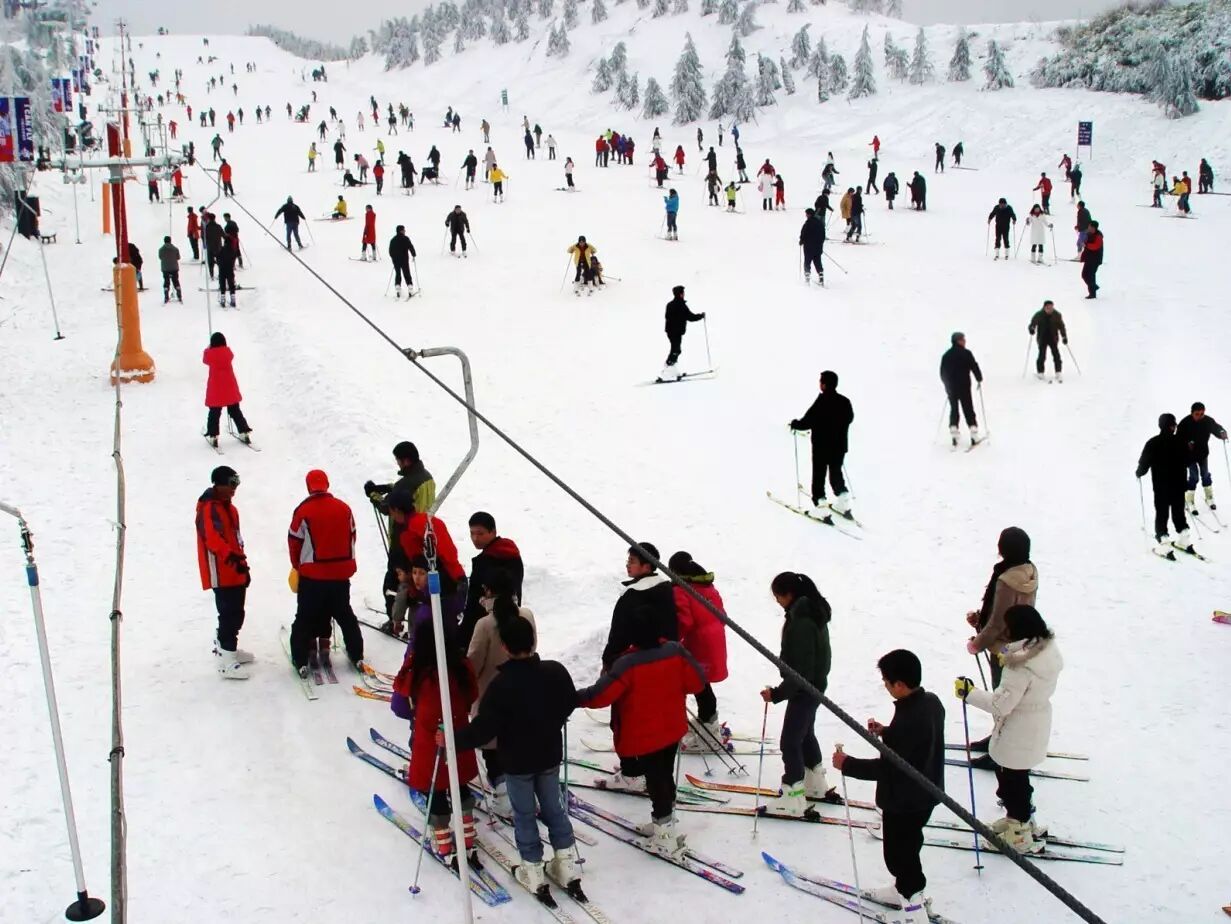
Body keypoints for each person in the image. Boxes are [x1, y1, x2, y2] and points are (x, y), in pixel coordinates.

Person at [444, 614, 581, 898]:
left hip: (518, 763)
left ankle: (533, 868)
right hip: (548, 755)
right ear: (532, 641)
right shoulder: (554, 671)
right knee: (553, 807)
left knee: (525, 814)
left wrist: (453, 739)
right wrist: (552, 720)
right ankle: (566, 862)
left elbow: (484, 729)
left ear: (504, 647)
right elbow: (569, 701)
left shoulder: (501, 686)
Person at [577, 607, 706, 856]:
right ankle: (664, 823)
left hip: (646, 735)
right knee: (664, 775)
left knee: (657, 781)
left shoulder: (628, 664)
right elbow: (697, 681)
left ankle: (664, 836)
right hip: (672, 727)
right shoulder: (675, 651)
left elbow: (601, 695)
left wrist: (574, 697)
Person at [833, 650, 944, 923]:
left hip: (905, 800)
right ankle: (903, 891)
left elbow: (890, 768)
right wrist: (887, 732)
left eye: (886, 681)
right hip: (925, 794)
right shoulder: (930, 702)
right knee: (909, 847)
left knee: (898, 856)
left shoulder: (909, 719)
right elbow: (915, 744)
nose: (885, 685)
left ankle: (913, 908)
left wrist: (848, 764)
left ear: (900, 685)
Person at [956, 604, 1063, 855]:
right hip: (1036, 721)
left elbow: (1001, 704)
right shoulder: (1045, 649)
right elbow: (1011, 652)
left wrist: (969, 693)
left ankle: (1019, 832)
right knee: (1018, 776)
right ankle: (1021, 821)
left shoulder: (1019, 667)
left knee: (1010, 781)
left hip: (1016, 729)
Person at [393, 619, 480, 862]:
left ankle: (443, 843)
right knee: (458, 783)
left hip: (429, 740)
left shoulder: (419, 672)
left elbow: (399, 686)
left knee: (436, 788)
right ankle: (467, 836)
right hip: (458, 734)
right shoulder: (460, 666)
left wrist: (411, 659)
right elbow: (472, 693)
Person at [761, 572, 838, 815]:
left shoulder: (802, 621)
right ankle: (814, 781)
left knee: (790, 740)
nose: (777, 601)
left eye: (778, 596)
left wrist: (777, 694)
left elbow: (801, 671)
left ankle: (793, 795)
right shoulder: (811, 611)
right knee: (804, 734)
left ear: (789, 594)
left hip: (805, 688)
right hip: (814, 685)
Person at [464, 567, 538, 812]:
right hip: (524, 688)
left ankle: (505, 796)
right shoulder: (526, 614)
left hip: (490, 693)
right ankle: (526, 789)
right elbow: (532, 646)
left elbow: (473, 662)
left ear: (488, 591)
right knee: (518, 741)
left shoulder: (485, 624)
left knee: (493, 748)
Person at [288, 469, 366, 675]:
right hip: (340, 574)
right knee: (345, 614)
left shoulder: (303, 511)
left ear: (308, 487)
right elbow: (352, 536)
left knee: (304, 617)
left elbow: (294, 541)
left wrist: (297, 566)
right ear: (327, 484)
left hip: (313, 575)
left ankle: (300, 658)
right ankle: (357, 653)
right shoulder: (344, 508)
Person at [364, 441, 437, 618]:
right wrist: (387, 487)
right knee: (416, 581)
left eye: (398, 460)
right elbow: (401, 487)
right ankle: (417, 615)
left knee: (393, 583)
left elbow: (386, 506)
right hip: (423, 536)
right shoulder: (427, 477)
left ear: (405, 461)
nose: (397, 463)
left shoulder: (405, 485)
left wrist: (372, 494)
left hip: (402, 539)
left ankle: (394, 619)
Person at [963, 526, 1038, 693]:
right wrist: (981, 618)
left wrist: (976, 645)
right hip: (1024, 646)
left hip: (1003, 651)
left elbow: (998, 623)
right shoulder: (1030, 572)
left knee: (1001, 700)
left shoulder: (1006, 581)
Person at [196, 464, 253, 679]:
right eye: (231, 483)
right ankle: (226, 661)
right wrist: (231, 558)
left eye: (236, 483)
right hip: (221, 571)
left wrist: (242, 565)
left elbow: (236, 539)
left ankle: (228, 649)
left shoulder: (230, 508)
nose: (234, 488)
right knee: (229, 613)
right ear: (218, 484)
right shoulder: (209, 508)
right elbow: (212, 539)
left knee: (237, 612)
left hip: (234, 570)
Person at [668, 551, 728, 751]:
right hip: (715, 641)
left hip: (698, 645)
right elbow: (722, 615)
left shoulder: (681, 590)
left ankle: (709, 735)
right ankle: (707, 723)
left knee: (698, 685)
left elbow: (684, 622)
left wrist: (670, 641)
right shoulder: (708, 586)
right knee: (702, 684)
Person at [602, 543, 677, 671]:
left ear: (646, 566)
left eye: (632, 561)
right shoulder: (666, 588)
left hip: (636, 662)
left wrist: (608, 660)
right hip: (667, 657)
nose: (627, 565)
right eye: (628, 561)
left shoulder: (632, 594)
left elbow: (619, 633)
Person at [790, 370, 854, 512]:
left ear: (824, 385)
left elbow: (807, 421)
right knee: (836, 473)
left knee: (819, 475)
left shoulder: (822, 402)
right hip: (840, 446)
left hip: (822, 446)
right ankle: (844, 501)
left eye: (821, 381)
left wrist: (795, 424)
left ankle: (821, 506)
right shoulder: (845, 401)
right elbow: (850, 418)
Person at [461, 511, 525, 649]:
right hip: (512, 620)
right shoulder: (512, 554)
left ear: (493, 532)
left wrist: (463, 636)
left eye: (480, 533)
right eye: (472, 533)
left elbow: (474, 602)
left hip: (486, 625)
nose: (475, 538)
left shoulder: (485, 561)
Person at [1138, 413, 1194, 555]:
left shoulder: (1152, 443)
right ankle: (1184, 539)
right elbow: (1189, 461)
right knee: (1178, 512)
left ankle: (1164, 543)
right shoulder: (1181, 441)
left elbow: (1144, 463)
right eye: (1174, 425)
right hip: (1179, 484)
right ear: (1171, 427)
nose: (1175, 427)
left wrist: (1139, 472)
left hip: (1162, 486)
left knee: (1162, 513)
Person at [202, 332, 252, 446]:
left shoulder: (210, 354)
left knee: (214, 413)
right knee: (235, 411)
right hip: (230, 388)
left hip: (216, 390)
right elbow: (229, 355)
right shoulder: (228, 353)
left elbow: (205, 359)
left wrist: (208, 348)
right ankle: (244, 431)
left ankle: (213, 435)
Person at [1178, 402, 1228, 514]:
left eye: (1202, 414)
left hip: (1202, 453)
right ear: (1192, 413)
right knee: (1194, 476)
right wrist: (1186, 444)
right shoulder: (1184, 423)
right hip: (1189, 455)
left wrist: (1222, 432)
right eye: (1197, 414)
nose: (1200, 416)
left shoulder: (1207, 421)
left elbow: (1216, 427)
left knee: (1205, 474)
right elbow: (1177, 439)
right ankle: (1189, 499)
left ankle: (1209, 496)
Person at [940, 332, 983, 446]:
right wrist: (979, 378)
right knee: (968, 408)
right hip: (964, 385)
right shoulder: (966, 353)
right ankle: (973, 432)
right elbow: (974, 366)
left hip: (951, 386)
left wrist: (946, 384)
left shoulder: (946, 355)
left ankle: (954, 430)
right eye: (963, 339)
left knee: (954, 408)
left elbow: (942, 372)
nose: (965, 341)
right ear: (958, 341)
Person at [659, 285, 705, 382]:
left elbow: (667, 317)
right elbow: (690, 317)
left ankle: (671, 370)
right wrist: (700, 316)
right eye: (683, 292)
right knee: (676, 350)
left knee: (676, 349)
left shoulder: (670, 304)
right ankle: (667, 372)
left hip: (671, 331)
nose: (684, 294)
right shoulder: (681, 305)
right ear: (680, 294)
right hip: (676, 332)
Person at [1028, 300, 1067, 382]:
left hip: (1053, 338)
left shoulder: (1057, 315)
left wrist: (1064, 336)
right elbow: (1033, 323)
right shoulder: (1039, 314)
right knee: (1042, 355)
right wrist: (1032, 328)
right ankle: (1040, 372)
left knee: (1056, 355)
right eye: (1048, 308)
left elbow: (1061, 326)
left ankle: (1058, 372)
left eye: (1051, 307)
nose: (1050, 309)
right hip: (1042, 338)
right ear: (1044, 307)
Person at [799, 208, 826, 286]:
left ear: (809, 214)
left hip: (808, 247)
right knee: (818, 262)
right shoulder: (820, 223)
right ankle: (821, 276)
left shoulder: (807, 223)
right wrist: (820, 244)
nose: (806, 215)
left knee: (807, 262)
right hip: (818, 247)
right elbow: (823, 235)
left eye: (806, 214)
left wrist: (801, 241)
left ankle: (807, 278)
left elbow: (804, 233)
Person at [388, 225, 417, 298]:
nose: (405, 231)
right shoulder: (405, 239)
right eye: (404, 230)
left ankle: (398, 289)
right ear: (401, 231)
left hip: (396, 260)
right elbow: (410, 246)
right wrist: (413, 254)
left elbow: (390, 251)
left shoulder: (393, 240)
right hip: (404, 260)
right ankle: (410, 289)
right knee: (407, 273)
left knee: (398, 274)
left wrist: (393, 257)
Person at [1079, 220, 1103, 299]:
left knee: (1090, 276)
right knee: (1085, 275)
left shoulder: (1098, 236)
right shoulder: (1089, 234)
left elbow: (1096, 246)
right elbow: (1084, 241)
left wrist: (1086, 245)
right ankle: (1094, 287)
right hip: (1089, 258)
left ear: (1093, 227)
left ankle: (1092, 293)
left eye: (1089, 226)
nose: (1088, 227)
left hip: (1095, 259)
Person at [158, 235, 182, 303]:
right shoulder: (175, 249)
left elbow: (160, 257)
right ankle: (179, 294)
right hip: (174, 268)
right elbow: (178, 257)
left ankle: (166, 295)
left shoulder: (161, 249)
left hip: (165, 268)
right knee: (176, 281)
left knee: (166, 281)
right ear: (170, 241)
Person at [216, 234, 238, 307]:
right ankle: (233, 300)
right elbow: (234, 258)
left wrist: (219, 264)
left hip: (222, 269)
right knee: (231, 284)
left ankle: (223, 300)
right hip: (230, 269)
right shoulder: (232, 250)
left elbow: (217, 259)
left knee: (222, 284)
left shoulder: (221, 250)